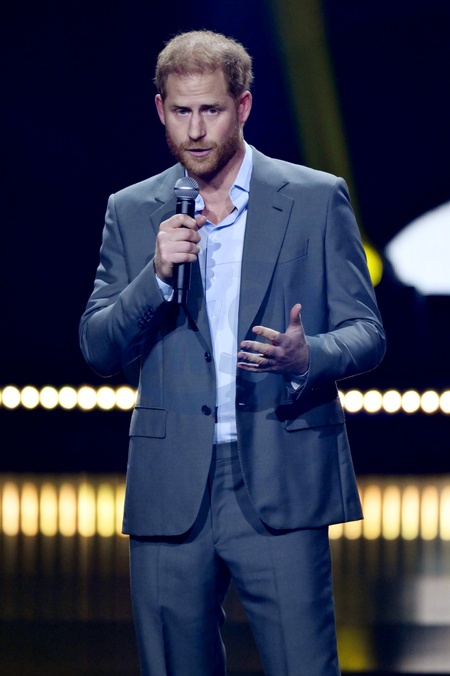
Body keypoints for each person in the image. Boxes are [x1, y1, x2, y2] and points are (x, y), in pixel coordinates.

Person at [80, 29, 386, 675]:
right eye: (181, 111)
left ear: (242, 106)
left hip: (280, 476)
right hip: (171, 487)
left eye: (211, 110)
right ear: (160, 109)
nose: (195, 131)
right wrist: (154, 278)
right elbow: (98, 346)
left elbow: (367, 331)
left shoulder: (314, 196)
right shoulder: (131, 211)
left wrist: (307, 356)